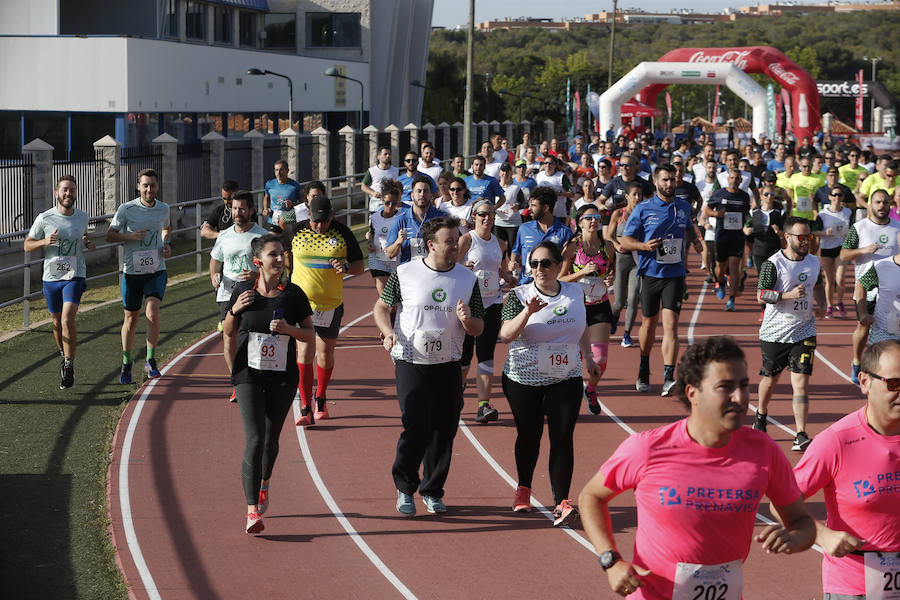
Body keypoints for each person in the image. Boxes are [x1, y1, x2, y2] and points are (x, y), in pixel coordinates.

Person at [579, 336, 815, 599]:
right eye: (725, 387)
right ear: (693, 393)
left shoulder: (764, 451)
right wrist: (610, 560)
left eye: (744, 386)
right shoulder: (647, 449)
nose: (740, 397)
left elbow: (802, 522)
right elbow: (591, 496)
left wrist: (796, 538)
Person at [373, 216, 485, 516]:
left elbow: (478, 327)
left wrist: (466, 320)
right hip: (411, 361)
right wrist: (388, 332)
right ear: (431, 244)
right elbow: (382, 307)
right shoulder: (406, 273)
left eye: (456, 240)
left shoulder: (467, 279)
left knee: (444, 430)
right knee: (416, 426)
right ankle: (405, 487)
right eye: (449, 241)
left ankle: (433, 490)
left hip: (449, 364)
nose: (455, 245)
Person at [499, 241, 601, 526]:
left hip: (565, 377)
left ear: (558, 266)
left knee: (562, 437)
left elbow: (579, 327)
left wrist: (589, 356)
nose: (539, 269)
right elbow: (505, 335)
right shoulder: (518, 296)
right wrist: (528, 312)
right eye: (533, 264)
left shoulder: (574, 292)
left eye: (545, 263)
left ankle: (562, 502)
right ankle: (523, 489)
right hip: (524, 379)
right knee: (529, 436)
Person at [791, 339, 900, 600]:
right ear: (864, 382)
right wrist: (822, 535)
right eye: (894, 384)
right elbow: (782, 501)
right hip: (853, 587)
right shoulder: (837, 441)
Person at [223, 233, 315, 533]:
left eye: (281, 254)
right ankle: (251, 511)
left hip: (283, 377)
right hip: (248, 375)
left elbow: (310, 334)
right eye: (273, 255)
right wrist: (234, 310)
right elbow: (227, 331)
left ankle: (264, 481)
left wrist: (289, 329)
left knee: (271, 439)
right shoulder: (242, 291)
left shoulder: (294, 295)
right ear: (257, 261)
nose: (279, 259)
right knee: (255, 439)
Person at [619, 164, 702, 396]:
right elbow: (625, 241)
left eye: (672, 180)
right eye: (665, 180)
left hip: (674, 274)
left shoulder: (683, 206)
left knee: (672, 327)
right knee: (649, 325)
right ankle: (644, 368)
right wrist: (643, 246)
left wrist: (694, 239)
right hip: (651, 274)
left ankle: (668, 377)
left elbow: (688, 228)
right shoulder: (643, 209)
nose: (669, 184)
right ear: (655, 182)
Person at [287, 194, 365, 426]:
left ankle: (320, 397)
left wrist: (346, 266)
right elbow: (277, 241)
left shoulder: (342, 233)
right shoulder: (296, 230)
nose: (320, 226)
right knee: (303, 354)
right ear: (308, 216)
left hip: (330, 304)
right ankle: (305, 406)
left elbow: (361, 266)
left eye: (324, 221)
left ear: (332, 216)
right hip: (302, 304)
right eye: (315, 221)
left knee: (325, 354)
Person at [754, 216, 826, 452]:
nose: (806, 241)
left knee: (801, 384)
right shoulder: (773, 264)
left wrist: (823, 303)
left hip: (804, 330)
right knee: (770, 380)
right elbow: (761, 295)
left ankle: (801, 433)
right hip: (775, 332)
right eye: (801, 237)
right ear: (787, 237)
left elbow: (817, 285)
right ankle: (761, 416)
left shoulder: (814, 262)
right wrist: (787, 296)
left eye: (809, 237)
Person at [24, 175, 96, 389]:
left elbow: (83, 235)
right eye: (64, 190)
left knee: (67, 320)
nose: (68, 194)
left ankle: (69, 364)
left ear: (75, 193)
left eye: (72, 190)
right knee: (56, 322)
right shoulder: (44, 218)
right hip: (51, 277)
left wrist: (87, 242)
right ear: (56, 193)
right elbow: (27, 245)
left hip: (75, 275)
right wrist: (45, 241)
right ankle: (63, 354)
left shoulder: (83, 217)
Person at [105, 169, 171, 384]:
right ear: (138, 186)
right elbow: (109, 235)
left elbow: (165, 229)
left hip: (156, 271)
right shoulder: (126, 209)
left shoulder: (164, 209)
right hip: (132, 273)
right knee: (131, 319)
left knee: (152, 313)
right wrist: (129, 236)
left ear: (158, 186)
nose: (149, 189)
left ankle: (150, 360)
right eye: (145, 185)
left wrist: (166, 244)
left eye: (152, 185)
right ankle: (127, 361)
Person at [458, 200, 516, 423]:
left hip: (492, 303)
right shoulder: (466, 240)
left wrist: (509, 277)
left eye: (491, 214)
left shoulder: (500, 243)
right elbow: (450, 266)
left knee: (486, 355)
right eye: (482, 214)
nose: (487, 218)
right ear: (474, 216)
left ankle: (483, 405)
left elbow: (500, 269)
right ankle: (457, 393)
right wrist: (463, 267)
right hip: (468, 305)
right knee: (463, 357)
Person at [559, 205, 615, 415]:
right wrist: (582, 272)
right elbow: (560, 279)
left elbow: (611, 273)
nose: (593, 221)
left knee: (600, 360)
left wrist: (610, 279)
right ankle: (567, 399)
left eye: (597, 218)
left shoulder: (608, 247)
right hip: (575, 308)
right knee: (573, 360)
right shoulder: (572, 247)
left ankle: (591, 390)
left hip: (599, 306)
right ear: (579, 222)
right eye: (588, 218)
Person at [841, 190, 900, 383]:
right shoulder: (860, 227)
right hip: (866, 288)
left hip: (891, 290)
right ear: (870, 205)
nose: (881, 206)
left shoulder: (898, 227)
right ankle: (857, 361)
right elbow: (843, 255)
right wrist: (863, 250)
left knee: (891, 329)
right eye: (877, 202)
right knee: (863, 327)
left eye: (885, 202)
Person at [209, 191, 268, 381]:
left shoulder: (262, 236)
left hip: (253, 292)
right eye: (234, 208)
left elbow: (273, 268)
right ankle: (237, 380)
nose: (237, 212)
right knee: (229, 335)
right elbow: (215, 260)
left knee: (251, 337)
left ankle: (254, 374)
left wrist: (257, 274)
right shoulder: (224, 235)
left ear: (251, 210)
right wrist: (214, 275)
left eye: (242, 208)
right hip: (227, 293)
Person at [706, 169, 752, 311]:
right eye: (732, 177)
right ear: (728, 178)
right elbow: (707, 210)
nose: (734, 180)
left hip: (737, 237)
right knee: (720, 268)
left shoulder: (744, 196)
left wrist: (747, 225)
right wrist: (716, 214)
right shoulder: (719, 194)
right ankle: (720, 281)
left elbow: (747, 214)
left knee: (734, 268)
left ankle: (731, 300)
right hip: (722, 236)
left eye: (737, 178)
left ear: (740, 180)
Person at [508, 186, 574, 284]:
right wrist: (513, 262)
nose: (529, 209)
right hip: (527, 285)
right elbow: (516, 252)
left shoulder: (565, 232)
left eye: (533, 205)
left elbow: (566, 261)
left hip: (552, 287)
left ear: (546, 208)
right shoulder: (524, 228)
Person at [607, 182, 643, 348]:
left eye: (639, 195)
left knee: (633, 298)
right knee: (619, 302)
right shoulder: (618, 213)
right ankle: (614, 317)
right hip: (621, 260)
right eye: (634, 194)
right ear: (627, 196)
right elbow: (609, 236)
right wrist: (616, 244)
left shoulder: (644, 214)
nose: (637, 198)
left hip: (637, 260)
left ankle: (627, 333)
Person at [385, 176, 447, 264]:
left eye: (425, 191)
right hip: (410, 272)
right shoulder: (401, 219)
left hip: (435, 271)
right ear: (412, 195)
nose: (422, 194)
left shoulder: (442, 218)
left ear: (431, 195)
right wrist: (398, 242)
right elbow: (389, 254)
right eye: (419, 191)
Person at [815, 186, 853, 318]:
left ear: (842, 197)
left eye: (840, 195)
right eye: (834, 195)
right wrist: (825, 233)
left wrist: (848, 234)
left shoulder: (848, 212)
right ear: (830, 197)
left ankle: (840, 302)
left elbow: (854, 229)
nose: (837, 197)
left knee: (840, 279)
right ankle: (830, 306)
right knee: (829, 281)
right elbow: (815, 231)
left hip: (841, 248)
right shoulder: (822, 213)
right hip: (826, 248)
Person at [365, 180, 403, 298]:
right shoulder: (375, 217)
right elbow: (371, 233)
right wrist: (370, 242)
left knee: (395, 297)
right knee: (383, 295)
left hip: (395, 259)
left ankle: (393, 314)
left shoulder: (401, 217)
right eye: (387, 203)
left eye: (394, 203)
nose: (391, 206)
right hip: (377, 258)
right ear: (382, 201)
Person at [858, 243, 900, 344]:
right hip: (885, 331)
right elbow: (861, 284)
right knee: (884, 358)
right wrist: (863, 313)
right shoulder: (882, 266)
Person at [496, 162, 527, 252]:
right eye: (503, 171)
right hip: (498, 222)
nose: (505, 173)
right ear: (499, 172)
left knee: (513, 249)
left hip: (513, 223)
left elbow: (524, 204)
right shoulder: (495, 187)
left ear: (511, 173)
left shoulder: (516, 188)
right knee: (499, 250)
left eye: (507, 171)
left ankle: (513, 265)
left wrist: (518, 206)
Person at [361, 146, 400, 213]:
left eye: (389, 154)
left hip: (391, 206)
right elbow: (363, 186)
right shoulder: (371, 171)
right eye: (385, 154)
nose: (388, 156)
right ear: (378, 156)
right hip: (375, 206)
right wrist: (373, 193)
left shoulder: (396, 171)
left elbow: (400, 187)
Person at [262, 160, 301, 225]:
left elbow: (301, 203)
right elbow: (266, 197)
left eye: (281, 170)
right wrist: (265, 209)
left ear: (287, 171)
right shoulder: (269, 184)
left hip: (289, 221)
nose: (278, 173)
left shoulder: (295, 186)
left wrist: (292, 205)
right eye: (276, 170)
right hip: (272, 220)